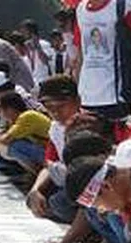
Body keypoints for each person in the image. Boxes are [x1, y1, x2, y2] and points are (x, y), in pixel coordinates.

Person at [73, 0, 131, 120]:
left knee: (115, 138)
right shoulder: (80, 10)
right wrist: (74, 88)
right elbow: (81, 53)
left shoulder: (123, 6)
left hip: (115, 96)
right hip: (86, 96)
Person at [27, 75, 83, 224]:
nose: (56, 113)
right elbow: (49, 164)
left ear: (77, 101)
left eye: (61, 106)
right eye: (50, 108)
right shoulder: (55, 128)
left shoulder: (90, 125)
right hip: (69, 180)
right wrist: (36, 190)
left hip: (90, 186)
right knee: (35, 199)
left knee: (60, 203)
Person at [0, 92, 51, 175]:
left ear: (10, 108)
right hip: (46, 150)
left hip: (52, 153)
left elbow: (4, 140)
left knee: (15, 146)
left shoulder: (27, 117)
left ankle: (38, 174)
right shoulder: (19, 119)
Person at [19, 19, 55, 86]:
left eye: (24, 31)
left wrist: (38, 47)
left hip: (44, 80)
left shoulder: (44, 44)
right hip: (32, 82)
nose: (22, 34)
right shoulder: (27, 47)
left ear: (31, 31)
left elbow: (46, 61)